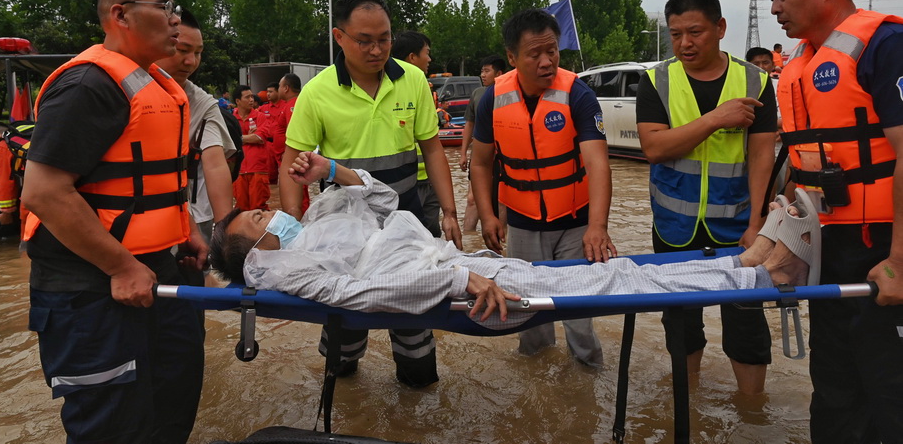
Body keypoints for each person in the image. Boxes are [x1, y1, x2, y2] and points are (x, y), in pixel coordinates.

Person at [210, 152, 817, 330]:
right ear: (254, 253)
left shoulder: (315, 223)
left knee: (614, 271)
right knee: (608, 278)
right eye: (257, 221)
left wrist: (332, 173)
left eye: (263, 210)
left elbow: (386, 201)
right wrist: (457, 279)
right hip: (455, 286)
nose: (270, 213)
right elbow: (361, 294)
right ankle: (762, 275)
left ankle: (746, 261)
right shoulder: (284, 270)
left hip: (453, 262)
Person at [20, 0, 206, 443]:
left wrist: (184, 232)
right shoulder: (88, 85)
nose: (175, 20)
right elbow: (43, 191)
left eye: (175, 9)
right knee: (113, 428)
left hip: (155, 274)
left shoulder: (158, 86)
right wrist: (121, 266)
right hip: (91, 291)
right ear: (121, 14)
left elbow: (146, 182)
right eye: (164, 8)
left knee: (171, 407)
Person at [278, 0, 461, 388]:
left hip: (407, 220)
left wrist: (449, 211)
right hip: (346, 230)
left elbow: (432, 149)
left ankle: (415, 380)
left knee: (415, 326)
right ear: (339, 37)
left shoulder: (412, 80)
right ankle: (343, 381)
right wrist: (293, 231)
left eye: (385, 38)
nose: (377, 49)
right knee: (343, 338)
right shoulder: (317, 91)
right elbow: (291, 163)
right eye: (365, 40)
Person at [765, 0, 903, 442]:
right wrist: (781, 237)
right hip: (831, 248)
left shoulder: (884, 45)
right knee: (835, 387)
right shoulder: (798, 65)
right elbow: (803, 169)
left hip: (887, 245)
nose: (776, 8)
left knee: (890, 386)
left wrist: (901, 260)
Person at [635, 0, 777, 395]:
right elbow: (655, 148)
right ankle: (688, 398)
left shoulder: (755, 81)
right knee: (679, 321)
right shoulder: (656, 81)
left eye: (694, 32)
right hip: (673, 227)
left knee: (747, 320)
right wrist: (716, 118)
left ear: (720, 28)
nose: (684, 43)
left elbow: (762, 159)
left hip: (737, 228)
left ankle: (752, 411)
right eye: (676, 34)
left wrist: (758, 225)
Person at [470, 8, 614, 367]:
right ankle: (535, 385)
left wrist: (597, 226)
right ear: (512, 58)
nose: (547, 61)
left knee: (579, 316)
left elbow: (598, 163)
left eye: (552, 51)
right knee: (528, 317)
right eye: (535, 54)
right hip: (521, 224)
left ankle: (587, 379)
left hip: (575, 223)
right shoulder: (492, 99)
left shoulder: (578, 94)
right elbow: (481, 162)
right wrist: (488, 216)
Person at [154, 9, 236, 241]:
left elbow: (215, 166)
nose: (191, 62)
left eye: (198, 53)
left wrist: (225, 233)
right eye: (182, 50)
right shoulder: (120, 90)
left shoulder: (202, 104)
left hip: (195, 220)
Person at [391, 30, 442, 237]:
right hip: (408, 183)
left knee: (432, 235)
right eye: (426, 53)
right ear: (412, 57)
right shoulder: (390, 89)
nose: (429, 59)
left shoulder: (422, 86)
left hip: (429, 178)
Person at [459, 55, 506, 232]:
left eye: (487, 71)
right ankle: (467, 240)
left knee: (502, 201)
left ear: (499, 73)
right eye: (482, 71)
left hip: (503, 154)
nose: (482, 75)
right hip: (479, 154)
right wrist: (463, 153)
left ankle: (502, 238)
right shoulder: (477, 94)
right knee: (473, 199)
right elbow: (469, 123)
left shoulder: (510, 94)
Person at [231, 84, 274, 211]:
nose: (251, 100)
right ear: (238, 101)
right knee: (241, 207)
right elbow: (226, 140)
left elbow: (260, 137)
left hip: (258, 168)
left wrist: (238, 138)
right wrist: (248, 137)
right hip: (238, 170)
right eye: (247, 97)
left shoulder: (260, 116)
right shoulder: (231, 119)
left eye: (251, 96)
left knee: (259, 207)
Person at [270, 73, 309, 213]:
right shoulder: (290, 104)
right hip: (286, 158)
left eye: (280, 86)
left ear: (286, 88)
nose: (278, 89)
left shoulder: (294, 105)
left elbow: (296, 132)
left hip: (291, 159)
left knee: (298, 192)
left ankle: (300, 223)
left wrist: (286, 155)